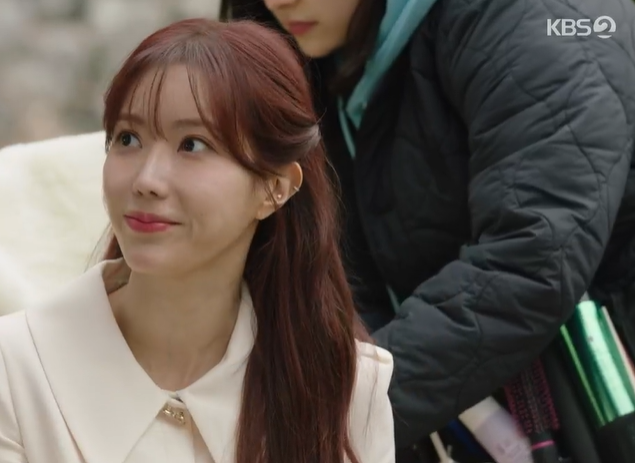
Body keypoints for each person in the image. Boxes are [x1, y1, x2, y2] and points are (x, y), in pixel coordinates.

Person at [0, 18, 396, 463]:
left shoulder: (349, 388)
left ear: (274, 188)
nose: (146, 180)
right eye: (128, 139)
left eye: (193, 145)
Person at [220, 0, 635, 460]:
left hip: (593, 388)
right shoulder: (317, 53)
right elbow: (338, 273)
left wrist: (335, 414)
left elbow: (531, 258)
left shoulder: (534, 19)